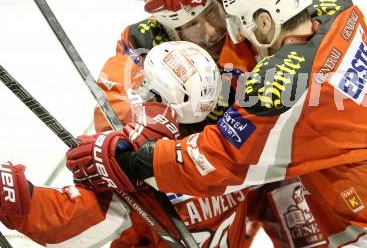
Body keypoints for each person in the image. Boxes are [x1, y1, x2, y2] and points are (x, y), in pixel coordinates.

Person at [66, 0, 367, 247]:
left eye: (240, 22)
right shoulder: (339, 9)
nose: (237, 35)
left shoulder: (278, 91)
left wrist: (133, 159)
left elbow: (217, 159)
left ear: (264, 20)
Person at [0, 41, 258, 247]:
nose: (139, 91)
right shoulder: (237, 154)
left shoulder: (147, 173)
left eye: (147, 87)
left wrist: (16, 195)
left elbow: (70, 224)